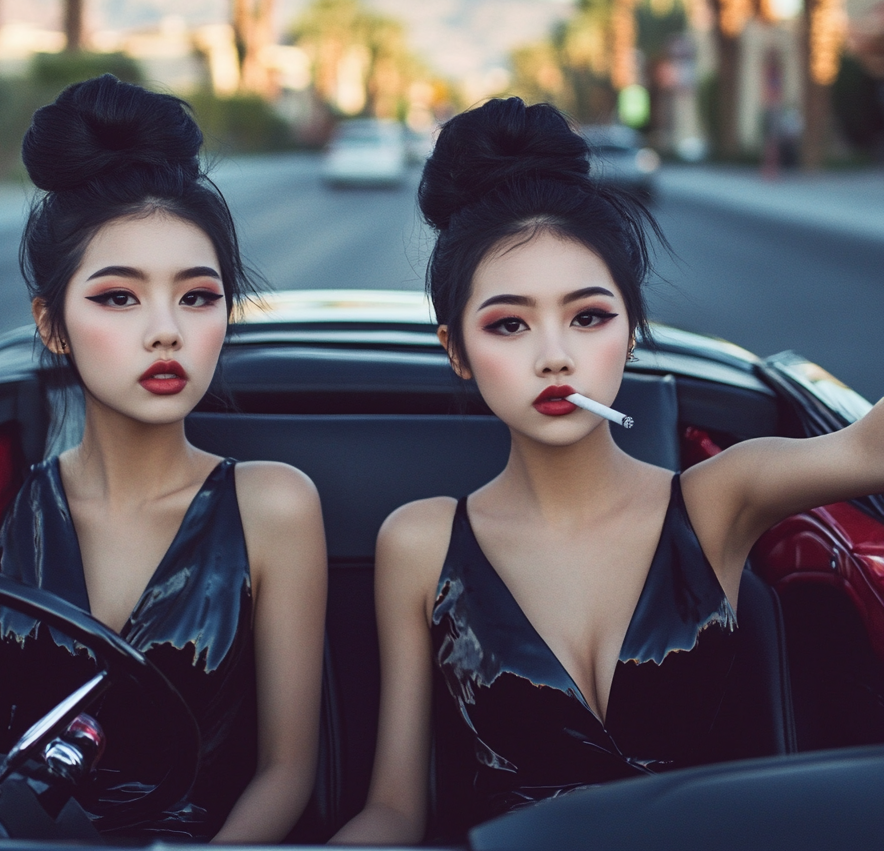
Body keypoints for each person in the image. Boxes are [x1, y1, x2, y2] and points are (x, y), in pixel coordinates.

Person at [333, 97, 884, 844]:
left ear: (630, 332)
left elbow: (868, 450)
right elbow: (394, 810)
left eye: (588, 316)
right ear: (456, 349)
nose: (554, 354)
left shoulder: (720, 498)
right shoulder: (421, 542)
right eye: (508, 324)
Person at [0, 75, 327, 843]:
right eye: (119, 298)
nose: (166, 332)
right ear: (52, 323)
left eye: (198, 297)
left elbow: (287, 774)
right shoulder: (6, 509)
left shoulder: (274, 505)